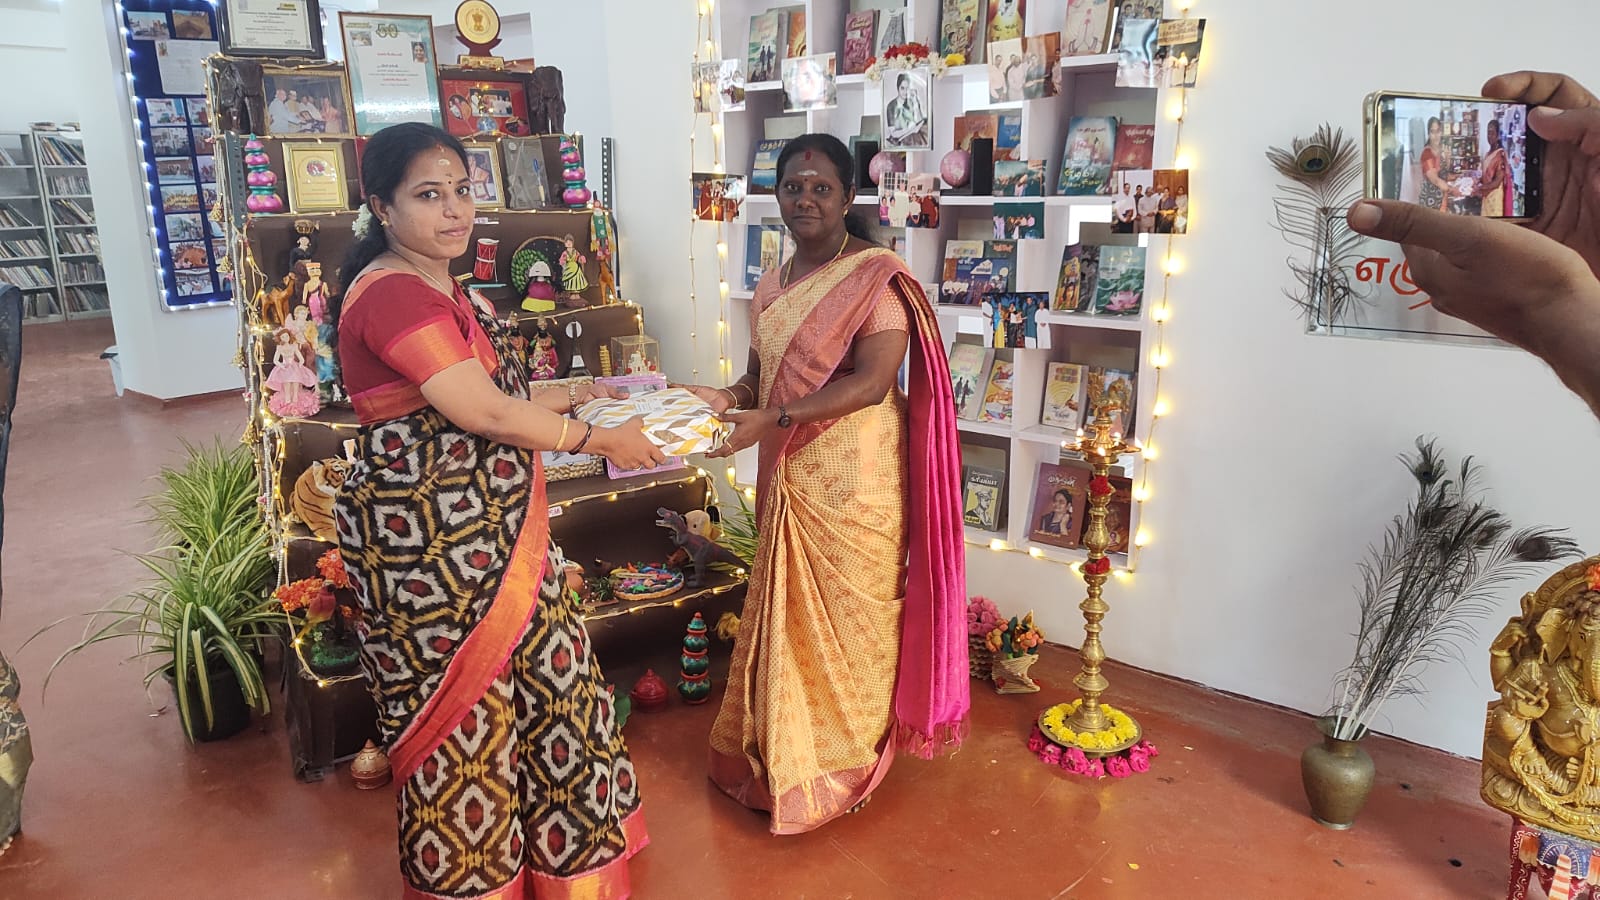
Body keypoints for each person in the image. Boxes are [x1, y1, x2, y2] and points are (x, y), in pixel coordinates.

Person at [329, 122, 658, 898]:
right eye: (428, 195)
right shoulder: (391, 294)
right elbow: (484, 413)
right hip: (432, 553)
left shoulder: (450, 287)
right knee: (466, 725)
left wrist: (578, 390)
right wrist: (598, 439)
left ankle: (572, 869)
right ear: (381, 206)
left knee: (556, 690)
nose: (454, 211)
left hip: (502, 536)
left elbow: (497, 393)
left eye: (462, 190)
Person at [678, 133, 968, 834]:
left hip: (858, 475)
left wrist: (772, 417)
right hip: (793, 467)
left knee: (853, 622)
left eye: (821, 188)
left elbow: (873, 384)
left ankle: (849, 763)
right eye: (792, 187)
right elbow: (760, 375)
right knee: (790, 621)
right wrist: (727, 397)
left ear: (848, 197)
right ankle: (786, 759)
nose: (804, 199)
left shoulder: (876, 277)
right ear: (776, 194)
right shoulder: (773, 284)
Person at [1349, 71, 1600, 422]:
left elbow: (1487, 179)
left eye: (1495, 132)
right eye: (1435, 130)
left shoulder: (1484, 155)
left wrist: (1553, 310)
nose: (1493, 136)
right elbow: (1436, 178)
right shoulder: (1430, 153)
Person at [1477, 118, 1513, 218]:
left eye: (1492, 133)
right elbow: (1486, 176)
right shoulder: (1487, 154)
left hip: (1495, 200)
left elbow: (1497, 182)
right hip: (1486, 197)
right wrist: (1476, 181)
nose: (1489, 136)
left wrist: (1479, 188)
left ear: (1498, 135)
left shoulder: (1500, 155)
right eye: (1488, 133)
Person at [1417, 116, 1455, 211]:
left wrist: (1448, 160)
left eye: (1438, 131)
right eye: (1432, 132)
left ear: (1441, 132)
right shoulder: (1426, 154)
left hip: (1442, 199)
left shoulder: (1443, 149)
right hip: (1430, 201)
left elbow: (1444, 174)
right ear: (1428, 134)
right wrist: (1455, 189)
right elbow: (1436, 180)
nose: (1436, 135)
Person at [885, 72, 928, 149]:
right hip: (899, 141)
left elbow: (920, 120)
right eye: (902, 88)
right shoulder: (891, 106)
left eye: (907, 88)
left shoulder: (910, 102)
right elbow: (893, 133)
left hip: (912, 138)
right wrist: (909, 129)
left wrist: (915, 100)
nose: (905, 92)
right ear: (898, 88)